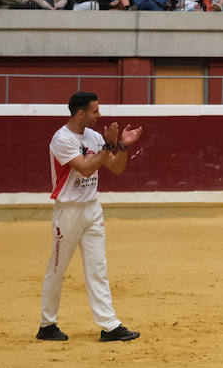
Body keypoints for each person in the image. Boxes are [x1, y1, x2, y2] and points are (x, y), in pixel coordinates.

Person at [37, 92, 143, 343]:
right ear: (80, 113)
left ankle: (109, 326)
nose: (99, 115)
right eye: (95, 111)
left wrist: (123, 146)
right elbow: (85, 169)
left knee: (98, 267)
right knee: (57, 267)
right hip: (68, 211)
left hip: (92, 208)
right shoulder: (61, 139)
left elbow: (116, 167)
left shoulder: (94, 137)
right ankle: (47, 324)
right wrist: (108, 146)